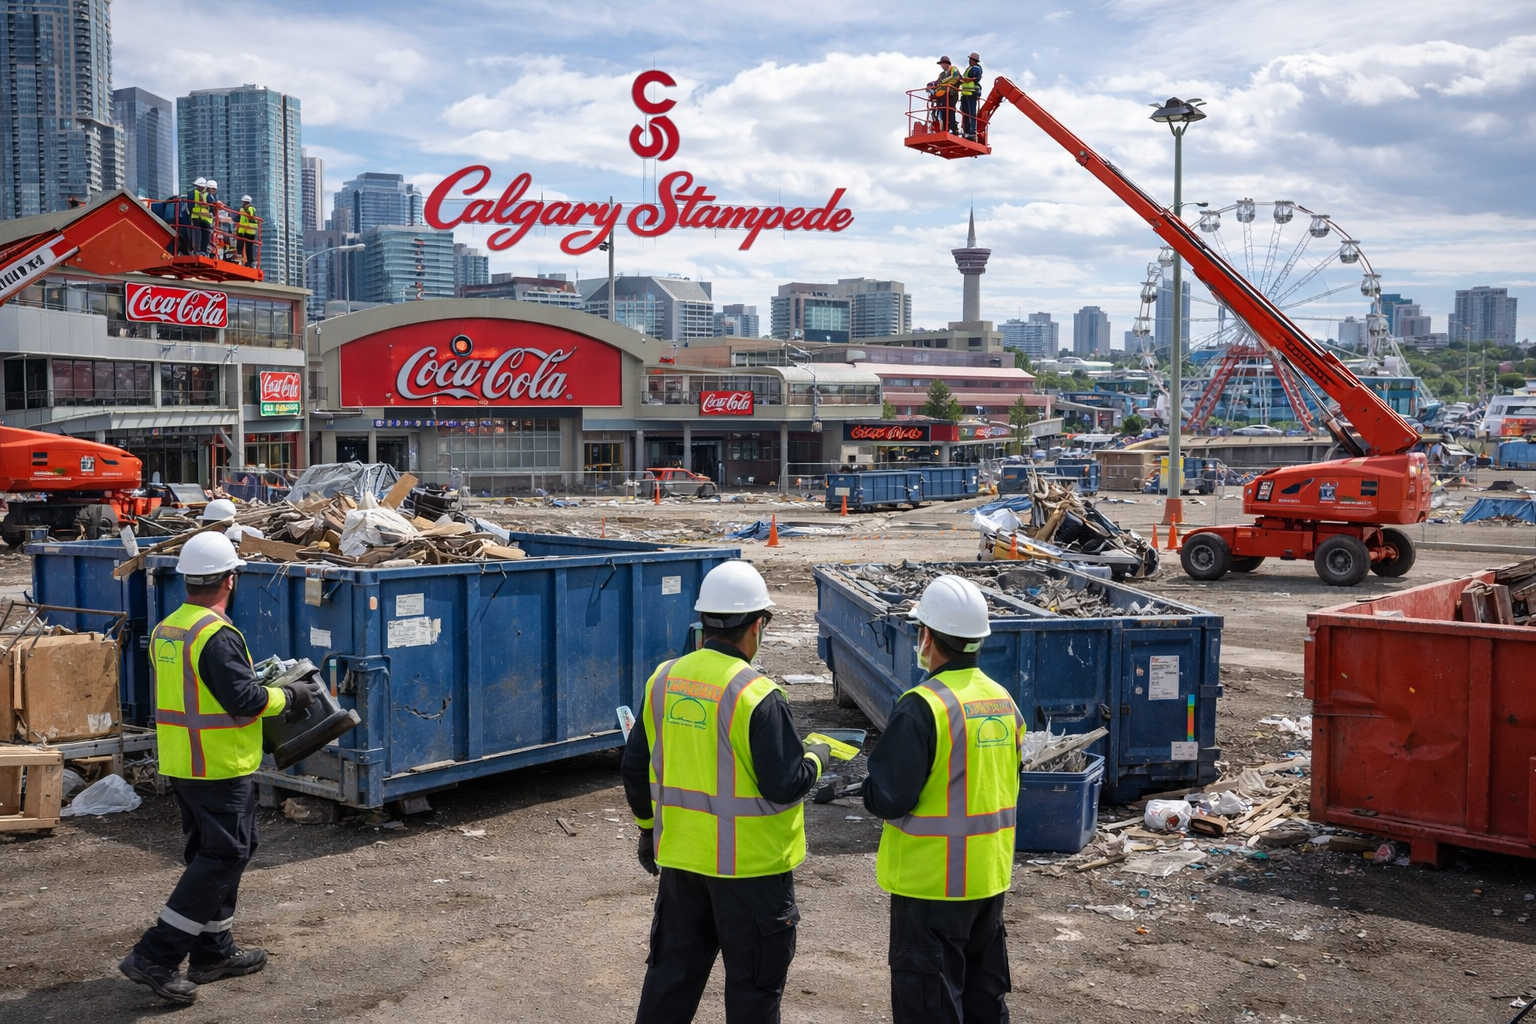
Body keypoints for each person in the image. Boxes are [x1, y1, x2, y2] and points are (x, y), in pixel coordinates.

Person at [621, 559, 833, 1024]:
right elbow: (785, 786)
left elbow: (635, 766)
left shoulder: (664, 679)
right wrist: (819, 756)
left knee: (670, 981)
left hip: (682, 865)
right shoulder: (757, 694)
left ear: (704, 622)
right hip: (752, 877)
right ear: (757, 625)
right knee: (753, 993)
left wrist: (647, 830)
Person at [118, 532, 323, 1005]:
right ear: (231, 580)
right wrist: (293, 695)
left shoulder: (170, 628)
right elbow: (244, 700)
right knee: (224, 855)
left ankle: (213, 952)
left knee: (221, 851)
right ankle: (156, 955)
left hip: (184, 761)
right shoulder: (216, 634)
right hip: (218, 765)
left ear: (188, 581)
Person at [862, 574, 1023, 1024]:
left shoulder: (923, 704)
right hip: (988, 880)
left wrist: (869, 789)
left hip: (930, 886)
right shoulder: (1001, 701)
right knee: (983, 1002)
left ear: (927, 637)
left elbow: (889, 797)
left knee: (929, 1006)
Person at [934, 57, 962, 134]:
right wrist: (930, 85)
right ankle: (944, 129)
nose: (941, 66)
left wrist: (943, 82)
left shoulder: (953, 69)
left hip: (952, 94)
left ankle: (953, 128)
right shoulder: (942, 74)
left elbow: (956, 78)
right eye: (941, 64)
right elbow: (937, 82)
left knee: (950, 111)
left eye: (942, 64)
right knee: (943, 111)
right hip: (943, 95)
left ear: (946, 63)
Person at [960, 53, 984, 139]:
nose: (969, 60)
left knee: (971, 114)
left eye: (970, 59)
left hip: (972, 93)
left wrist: (964, 80)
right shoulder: (969, 68)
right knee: (965, 113)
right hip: (965, 93)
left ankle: (972, 131)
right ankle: (967, 131)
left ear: (973, 60)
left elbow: (975, 78)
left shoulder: (976, 69)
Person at [190, 178, 213, 255]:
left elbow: (212, 209)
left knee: (203, 235)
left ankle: (202, 251)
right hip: (198, 218)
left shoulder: (193, 193)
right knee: (199, 235)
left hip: (202, 218)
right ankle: (199, 251)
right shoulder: (208, 195)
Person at [235, 196, 258, 266]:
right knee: (239, 245)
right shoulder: (242, 209)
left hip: (250, 231)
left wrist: (243, 212)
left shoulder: (252, 209)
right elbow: (241, 219)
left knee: (249, 247)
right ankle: (239, 258)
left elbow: (251, 216)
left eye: (245, 203)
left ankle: (250, 262)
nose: (244, 205)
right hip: (242, 230)